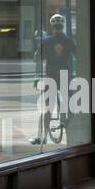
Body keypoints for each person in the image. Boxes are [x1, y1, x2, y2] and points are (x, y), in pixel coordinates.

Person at [32, 13, 76, 145]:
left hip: (51, 76)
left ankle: (42, 136)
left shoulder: (47, 41)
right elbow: (78, 54)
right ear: (62, 26)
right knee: (69, 104)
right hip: (65, 75)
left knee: (47, 107)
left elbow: (37, 58)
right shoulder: (69, 40)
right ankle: (72, 131)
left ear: (52, 27)